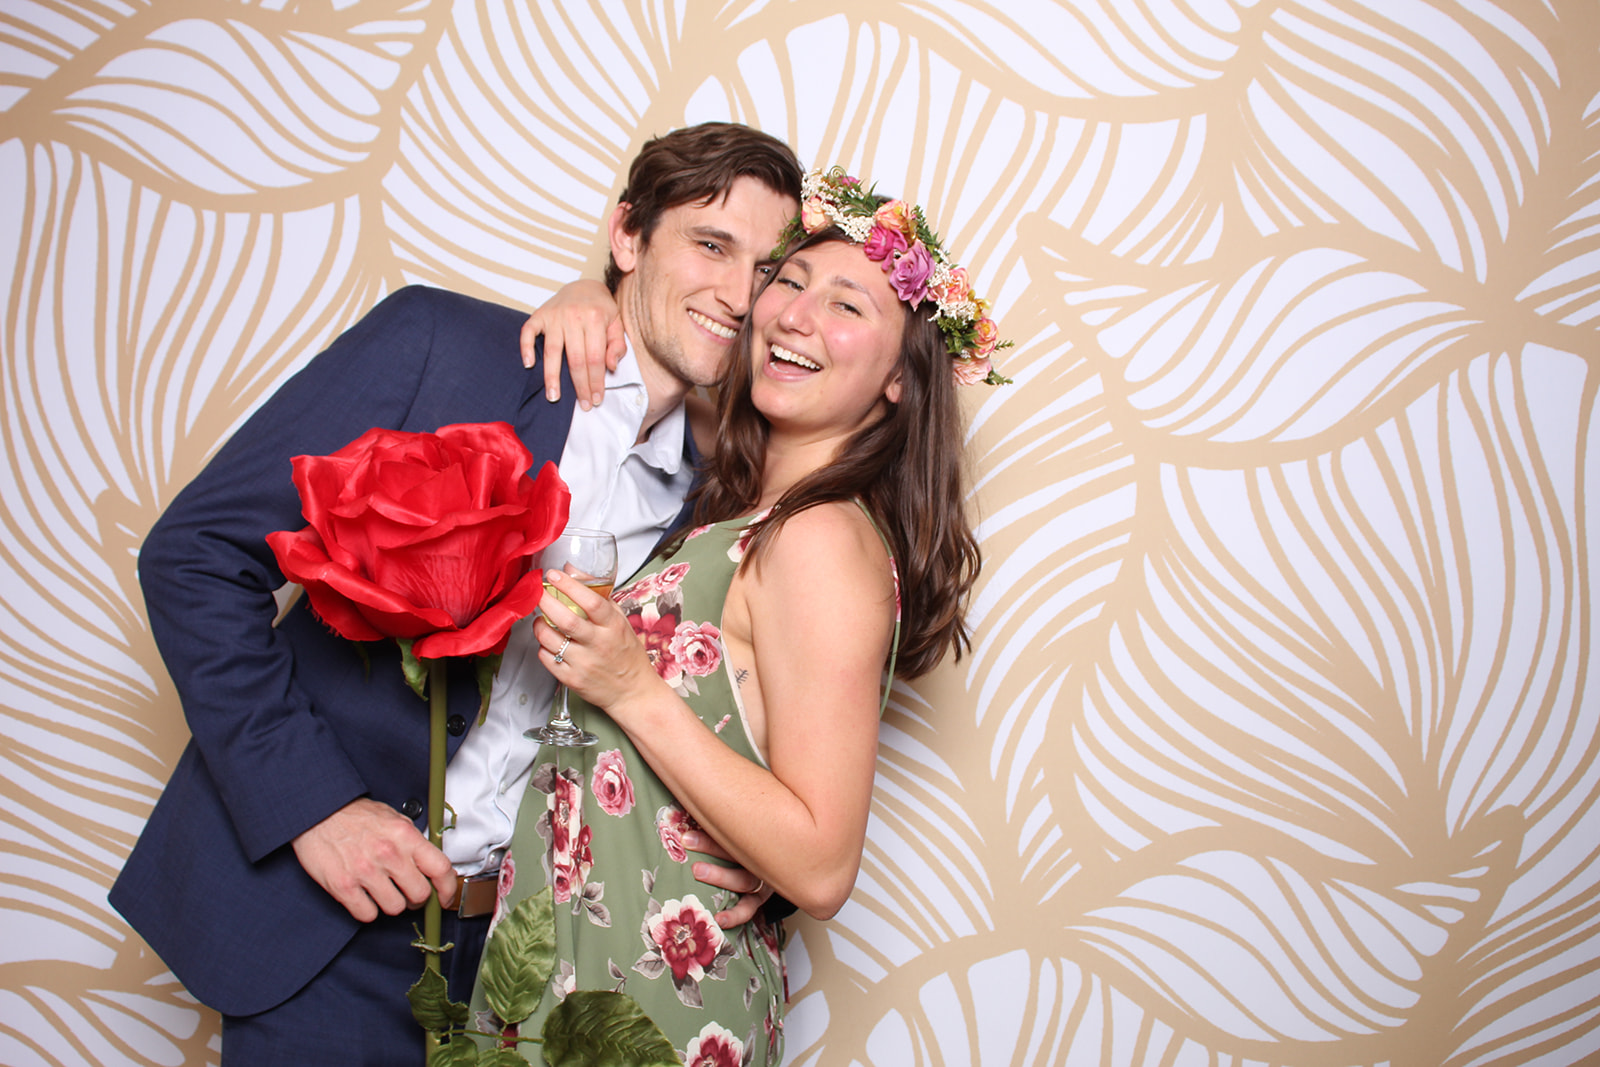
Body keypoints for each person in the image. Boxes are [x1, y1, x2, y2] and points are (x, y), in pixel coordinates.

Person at [108, 121, 802, 1065]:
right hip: (329, 924)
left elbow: (729, 706)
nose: (737, 293)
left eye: (765, 271)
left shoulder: (715, 505)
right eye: (711, 244)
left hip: (534, 964)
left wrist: (757, 862)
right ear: (627, 235)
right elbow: (195, 555)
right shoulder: (445, 350)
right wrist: (314, 807)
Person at [466, 167, 1003, 1064]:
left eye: (847, 305)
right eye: (787, 283)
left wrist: (631, 689)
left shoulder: (821, 537)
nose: (794, 315)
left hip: (652, 1003)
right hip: (574, 966)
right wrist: (595, 296)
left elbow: (821, 865)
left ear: (900, 379)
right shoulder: (746, 510)